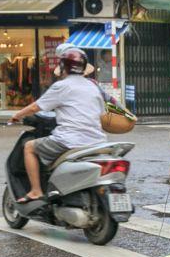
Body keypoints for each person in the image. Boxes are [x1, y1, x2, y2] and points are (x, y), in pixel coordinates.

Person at [9, 49, 106, 203]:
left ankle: (35, 191)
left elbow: (35, 107)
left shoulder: (61, 86)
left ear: (63, 67)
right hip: (97, 141)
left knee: (29, 147)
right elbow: (102, 114)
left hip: (70, 140)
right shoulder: (93, 87)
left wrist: (17, 115)